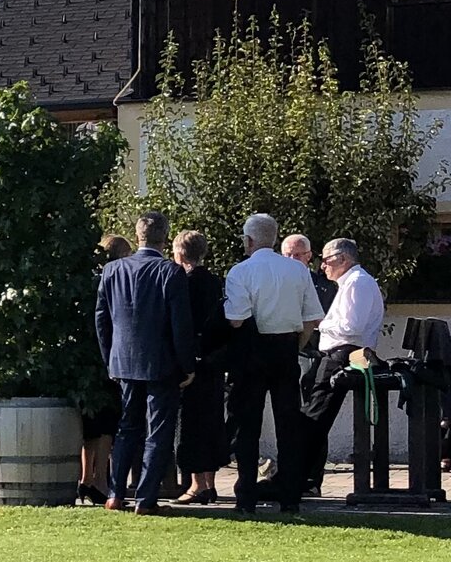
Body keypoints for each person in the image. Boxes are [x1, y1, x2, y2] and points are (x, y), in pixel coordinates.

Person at [94, 212, 197, 515]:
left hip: (123, 361)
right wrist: (188, 365)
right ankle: (146, 497)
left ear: (137, 235)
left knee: (127, 428)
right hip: (161, 363)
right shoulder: (171, 272)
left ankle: (115, 493)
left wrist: (110, 359)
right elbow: (181, 325)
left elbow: (101, 319)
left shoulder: (112, 270)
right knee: (158, 432)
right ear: (165, 238)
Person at [224, 211, 322, 516]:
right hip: (286, 348)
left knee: (248, 426)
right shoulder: (297, 271)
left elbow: (236, 320)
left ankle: (246, 497)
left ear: (249, 240)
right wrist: (296, 346)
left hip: (253, 349)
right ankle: (290, 497)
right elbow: (312, 318)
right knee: (288, 426)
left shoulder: (240, 272)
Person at [300, 238, 386, 494]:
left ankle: (297, 477)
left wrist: (320, 323)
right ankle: (301, 476)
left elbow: (352, 327)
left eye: (326, 260)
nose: (322, 266)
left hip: (343, 355)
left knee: (314, 417)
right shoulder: (350, 282)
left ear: (343, 259)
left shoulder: (357, 282)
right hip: (338, 353)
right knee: (312, 415)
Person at [171, 229, 229, 503]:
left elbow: (183, 323)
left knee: (192, 423)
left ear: (180, 253)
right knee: (212, 419)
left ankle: (196, 485)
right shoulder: (215, 281)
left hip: (192, 359)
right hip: (214, 359)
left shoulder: (184, 282)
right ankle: (210, 483)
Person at [77, 234, 134, 505]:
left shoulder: (89, 282)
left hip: (85, 360)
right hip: (107, 357)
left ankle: (86, 479)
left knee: (90, 426)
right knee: (107, 425)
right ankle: (100, 480)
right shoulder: (113, 281)